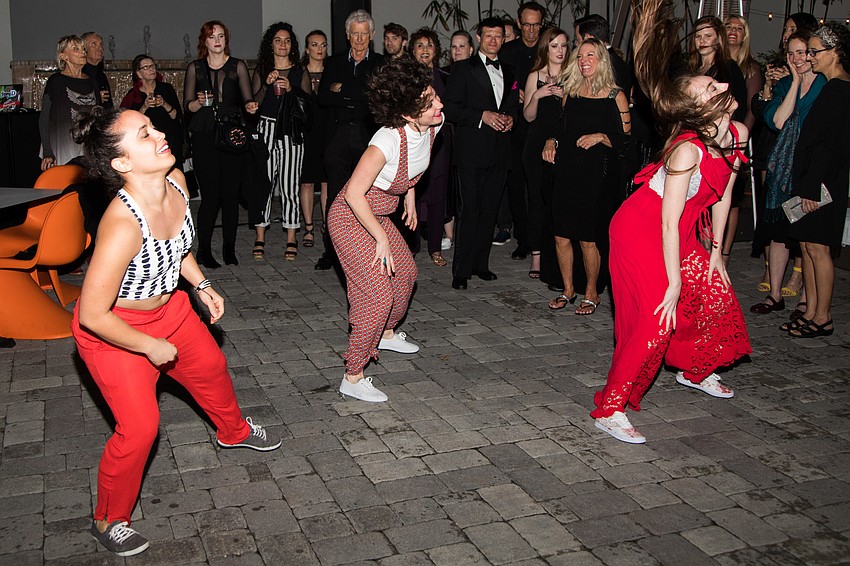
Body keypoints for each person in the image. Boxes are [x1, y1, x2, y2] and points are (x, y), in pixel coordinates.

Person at [71, 107, 280, 557]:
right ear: (122, 164)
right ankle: (108, 519)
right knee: (141, 428)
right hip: (116, 330)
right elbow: (92, 313)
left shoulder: (178, 185)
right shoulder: (122, 223)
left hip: (173, 310)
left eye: (154, 126)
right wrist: (149, 346)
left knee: (211, 366)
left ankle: (234, 431)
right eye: (144, 134)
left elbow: (177, 249)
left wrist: (202, 284)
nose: (159, 134)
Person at [590, 0, 751, 443]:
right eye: (711, 84)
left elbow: (723, 196)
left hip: (682, 228)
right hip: (642, 229)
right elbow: (666, 221)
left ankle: (697, 371)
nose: (721, 81)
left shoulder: (738, 133)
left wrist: (716, 254)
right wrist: (674, 280)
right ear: (700, 107)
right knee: (656, 318)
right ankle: (610, 407)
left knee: (715, 292)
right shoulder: (687, 149)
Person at [327, 57, 443, 402]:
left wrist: (408, 196)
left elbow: (415, 163)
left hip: (381, 213)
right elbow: (353, 194)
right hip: (351, 216)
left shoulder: (434, 123)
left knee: (406, 274)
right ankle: (353, 373)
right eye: (429, 103)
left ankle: (387, 334)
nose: (439, 105)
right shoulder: (387, 141)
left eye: (435, 96)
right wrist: (380, 237)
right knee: (378, 295)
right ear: (408, 115)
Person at [541, 38, 630, 315]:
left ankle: (592, 292)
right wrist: (550, 140)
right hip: (566, 169)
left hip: (594, 175)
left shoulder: (615, 95)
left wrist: (602, 136)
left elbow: (627, 139)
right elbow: (559, 125)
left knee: (588, 238)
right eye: (580, 56)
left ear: (601, 59)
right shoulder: (571, 91)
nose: (584, 61)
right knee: (561, 235)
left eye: (590, 55)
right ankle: (568, 289)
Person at [749, 32, 825, 316]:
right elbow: (778, 120)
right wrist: (793, 82)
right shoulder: (782, 86)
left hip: (809, 167)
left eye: (803, 52)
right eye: (791, 53)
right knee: (779, 233)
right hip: (783, 170)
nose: (797, 59)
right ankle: (775, 295)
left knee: (806, 237)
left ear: (813, 54)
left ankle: (808, 298)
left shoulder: (824, 85)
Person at [444, 17, 520, 290]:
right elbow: (449, 109)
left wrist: (511, 118)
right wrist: (482, 116)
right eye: (488, 35)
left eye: (498, 36)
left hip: (500, 151)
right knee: (469, 210)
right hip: (471, 152)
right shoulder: (463, 69)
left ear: (503, 39)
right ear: (478, 37)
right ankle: (461, 271)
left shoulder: (510, 71)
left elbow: (512, 106)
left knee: (489, 211)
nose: (493, 41)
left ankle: (481, 264)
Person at [785, 23, 850, 338]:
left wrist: (813, 186)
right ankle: (810, 309)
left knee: (820, 248)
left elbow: (831, 146)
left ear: (834, 52)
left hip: (823, 184)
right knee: (807, 245)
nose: (809, 57)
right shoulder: (830, 86)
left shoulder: (841, 90)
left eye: (814, 51)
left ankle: (823, 316)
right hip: (811, 180)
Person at [314, 10, 385, 271]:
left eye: (364, 33)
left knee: (367, 195)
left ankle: (366, 249)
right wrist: (359, 93)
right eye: (354, 33)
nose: (359, 38)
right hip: (338, 135)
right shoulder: (333, 63)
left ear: (372, 35)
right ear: (347, 35)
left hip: (368, 138)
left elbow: (376, 98)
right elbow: (323, 97)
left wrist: (342, 90)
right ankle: (332, 252)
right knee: (335, 196)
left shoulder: (380, 63)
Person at [183, 20, 258, 268]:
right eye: (212, 36)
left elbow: (247, 100)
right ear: (204, 41)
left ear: (227, 39)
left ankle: (229, 249)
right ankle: (203, 250)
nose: (217, 40)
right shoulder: (195, 68)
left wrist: (250, 107)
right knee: (211, 196)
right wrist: (198, 103)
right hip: (205, 134)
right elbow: (188, 106)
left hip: (232, 134)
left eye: (221, 36)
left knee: (230, 195)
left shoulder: (238, 66)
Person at [686, 16, 748, 266]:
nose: (702, 40)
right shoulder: (690, 69)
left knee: (717, 202)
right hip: (694, 145)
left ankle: (716, 258)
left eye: (707, 35)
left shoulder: (728, 69)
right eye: (698, 35)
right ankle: (696, 260)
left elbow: (737, 109)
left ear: (718, 38)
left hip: (719, 146)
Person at [251, 22, 312, 261]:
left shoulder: (299, 72)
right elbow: (252, 103)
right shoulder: (262, 69)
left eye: (287, 40)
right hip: (265, 128)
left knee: (289, 186)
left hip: (291, 131)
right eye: (278, 40)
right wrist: (267, 85)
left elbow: (309, 106)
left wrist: (292, 90)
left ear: (292, 45)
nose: (283, 45)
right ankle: (260, 236)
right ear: (271, 44)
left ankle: (291, 237)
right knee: (263, 184)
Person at [494, 1, 546, 259]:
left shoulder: (548, 49)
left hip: (543, 127)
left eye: (536, 25)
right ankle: (524, 239)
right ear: (518, 24)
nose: (531, 30)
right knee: (515, 185)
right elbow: (498, 89)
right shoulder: (507, 52)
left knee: (540, 185)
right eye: (526, 24)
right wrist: (516, 96)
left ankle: (542, 239)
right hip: (514, 128)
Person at [522, 27, 569, 280]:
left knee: (558, 200)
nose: (559, 51)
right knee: (537, 199)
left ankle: (557, 255)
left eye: (563, 45)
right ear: (546, 48)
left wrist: (565, 98)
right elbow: (528, 117)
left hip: (563, 144)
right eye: (554, 46)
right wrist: (538, 95)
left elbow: (574, 117)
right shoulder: (535, 75)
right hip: (535, 143)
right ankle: (537, 255)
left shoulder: (574, 75)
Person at [409, 28, 452, 266]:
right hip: (413, 141)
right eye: (419, 45)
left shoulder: (445, 77)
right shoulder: (405, 79)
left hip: (439, 143)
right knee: (411, 194)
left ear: (436, 50)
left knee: (438, 195)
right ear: (412, 50)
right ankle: (411, 246)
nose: (425, 50)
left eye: (429, 45)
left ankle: (435, 248)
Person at [40, 35, 100, 171]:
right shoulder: (56, 82)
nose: (82, 52)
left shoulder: (92, 82)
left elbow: (97, 117)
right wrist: (48, 152)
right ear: (63, 57)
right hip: (62, 148)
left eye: (83, 49)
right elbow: (44, 119)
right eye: (75, 49)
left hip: (88, 148)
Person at [119, 55, 184, 170]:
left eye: (153, 66)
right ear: (139, 74)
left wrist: (164, 104)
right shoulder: (134, 95)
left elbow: (176, 116)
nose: (152, 69)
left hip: (171, 140)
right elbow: (131, 124)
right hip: (149, 145)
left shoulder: (166, 88)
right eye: (146, 67)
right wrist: (144, 107)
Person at [300, 30, 329, 250]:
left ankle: (328, 225)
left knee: (328, 181)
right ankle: (308, 227)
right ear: (307, 48)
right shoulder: (300, 73)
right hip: (307, 133)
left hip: (328, 132)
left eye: (323, 45)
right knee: (307, 181)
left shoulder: (332, 71)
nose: (319, 49)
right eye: (315, 44)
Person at [81, 31, 113, 108]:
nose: (100, 48)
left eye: (101, 44)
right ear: (84, 49)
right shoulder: (80, 74)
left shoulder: (101, 75)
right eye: (94, 44)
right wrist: (96, 98)